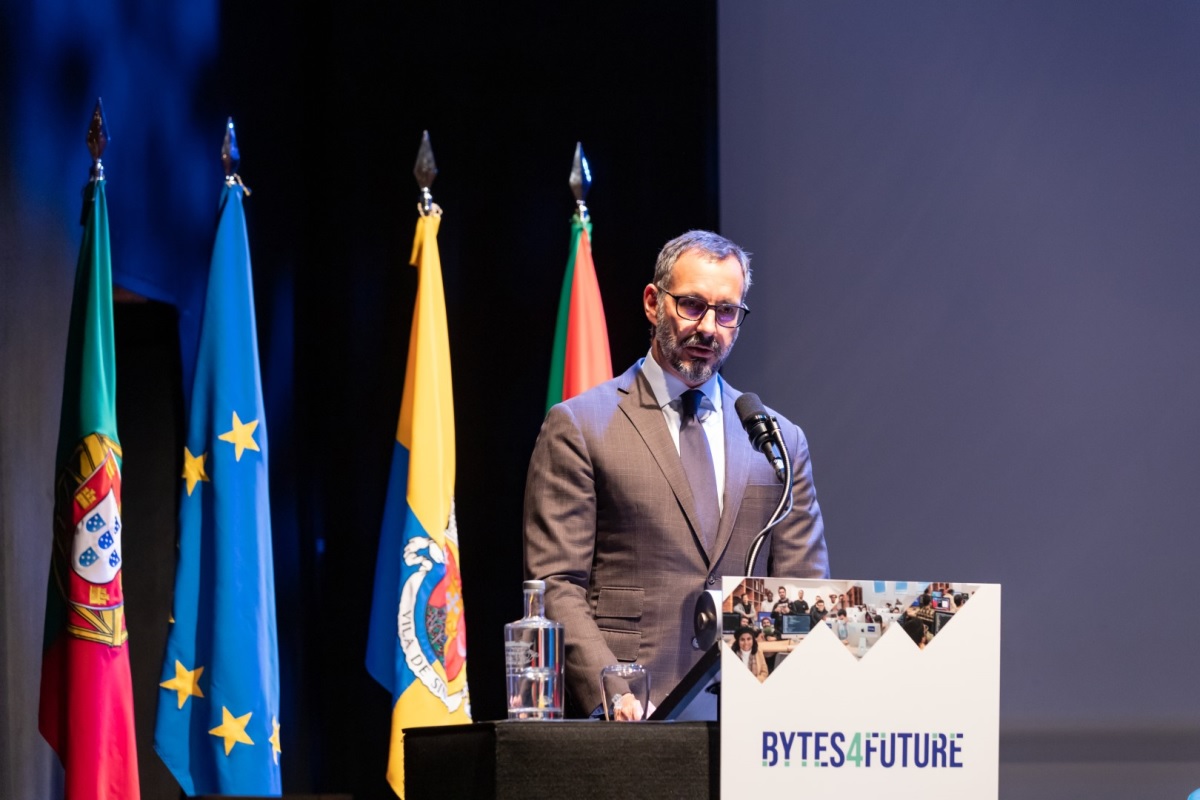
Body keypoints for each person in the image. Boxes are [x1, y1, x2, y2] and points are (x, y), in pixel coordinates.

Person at [523, 230, 829, 716]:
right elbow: (558, 583)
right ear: (652, 302)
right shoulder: (580, 427)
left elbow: (803, 594)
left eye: (727, 312)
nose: (709, 327)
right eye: (692, 305)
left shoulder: (778, 440)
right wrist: (615, 690)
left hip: (748, 729)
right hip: (629, 723)